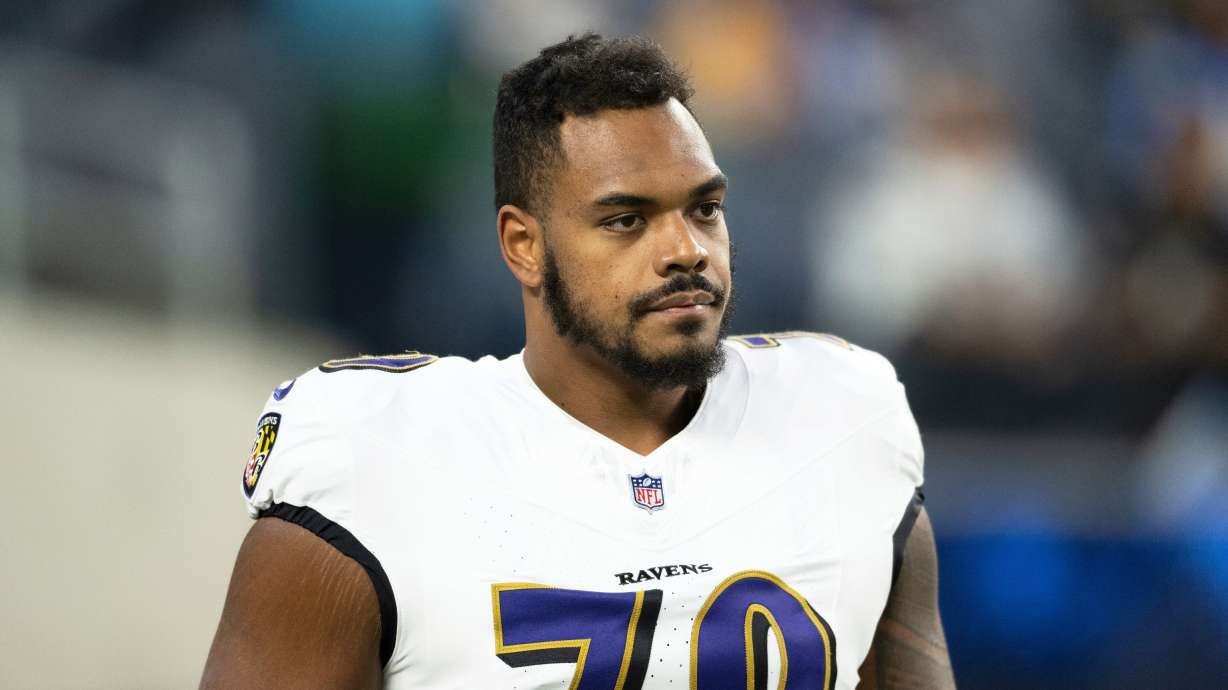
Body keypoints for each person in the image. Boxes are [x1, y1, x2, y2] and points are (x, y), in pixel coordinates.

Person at [201, 33, 955, 690]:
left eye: (704, 209)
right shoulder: (376, 459)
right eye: (626, 220)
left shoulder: (840, 418)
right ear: (523, 245)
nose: (686, 250)